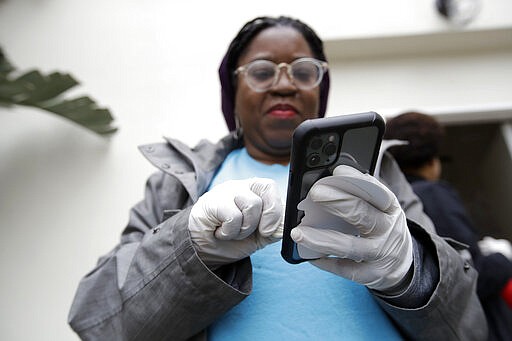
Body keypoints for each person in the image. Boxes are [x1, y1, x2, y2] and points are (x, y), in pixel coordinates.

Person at [68, 17, 487, 340]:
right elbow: (100, 320)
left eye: (303, 72)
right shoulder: (177, 180)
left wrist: (410, 270)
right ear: (233, 92)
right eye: (262, 71)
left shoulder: (381, 175)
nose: (284, 84)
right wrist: (190, 245)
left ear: (320, 90)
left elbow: (469, 327)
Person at [384, 111, 512, 341]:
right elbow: (468, 275)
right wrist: (501, 257)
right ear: (433, 161)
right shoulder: (432, 194)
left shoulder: (391, 203)